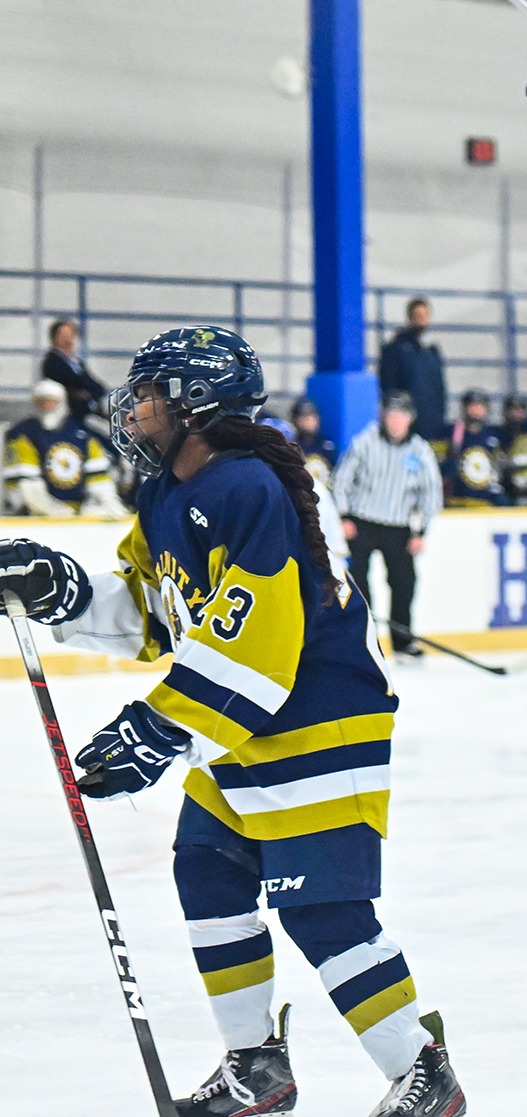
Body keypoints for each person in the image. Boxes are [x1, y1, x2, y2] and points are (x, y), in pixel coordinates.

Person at [0, 326, 465, 1116]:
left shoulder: (248, 489)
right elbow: (161, 611)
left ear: (197, 407)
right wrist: (63, 590)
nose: (134, 411)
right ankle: (257, 1065)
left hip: (320, 718)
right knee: (207, 869)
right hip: (242, 720)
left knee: (321, 907)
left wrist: (158, 729)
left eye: (149, 397)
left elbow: (260, 646)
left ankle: (422, 1072)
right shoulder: (165, 494)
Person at [332, 390, 444, 660]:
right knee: (358, 584)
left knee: (404, 583)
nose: (395, 421)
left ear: (410, 419)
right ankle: (363, 641)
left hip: (399, 526)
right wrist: (344, 516)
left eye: (401, 416)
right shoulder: (365, 442)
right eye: (391, 415)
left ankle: (403, 641)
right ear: (383, 415)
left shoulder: (420, 450)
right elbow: (342, 480)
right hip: (362, 523)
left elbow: (431, 493)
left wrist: (421, 531)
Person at [6, 379, 124, 517]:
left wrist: (106, 505)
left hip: (77, 511)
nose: (47, 406)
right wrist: (51, 510)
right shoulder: (22, 433)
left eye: (52, 401)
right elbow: (27, 485)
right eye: (42, 401)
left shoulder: (82, 433)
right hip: (35, 516)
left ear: (62, 402)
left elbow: (99, 477)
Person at [377, 298, 450, 443]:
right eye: (418, 316)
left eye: (425, 316)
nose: (422, 321)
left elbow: (439, 387)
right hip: (406, 426)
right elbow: (388, 387)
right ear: (409, 318)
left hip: (432, 424)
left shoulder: (432, 350)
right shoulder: (395, 349)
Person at [443, 389, 511, 507]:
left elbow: (504, 465)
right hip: (457, 502)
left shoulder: (496, 435)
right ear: (464, 408)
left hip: (486, 502)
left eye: (480, 406)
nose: (476, 410)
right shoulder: (451, 433)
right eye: (472, 406)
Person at [40, 317, 108, 428]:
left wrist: (92, 391)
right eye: (64, 336)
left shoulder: (76, 362)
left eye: (71, 335)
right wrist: (85, 391)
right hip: (72, 415)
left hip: (90, 412)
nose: (68, 340)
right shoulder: (52, 363)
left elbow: (96, 386)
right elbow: (73, 384)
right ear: (54, 338)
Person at [289, 397, 340, 486]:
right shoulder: (291, 447)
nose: (310, 421)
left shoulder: (327, 446)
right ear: (295, 420)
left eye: (313, 417)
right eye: (305, 417)